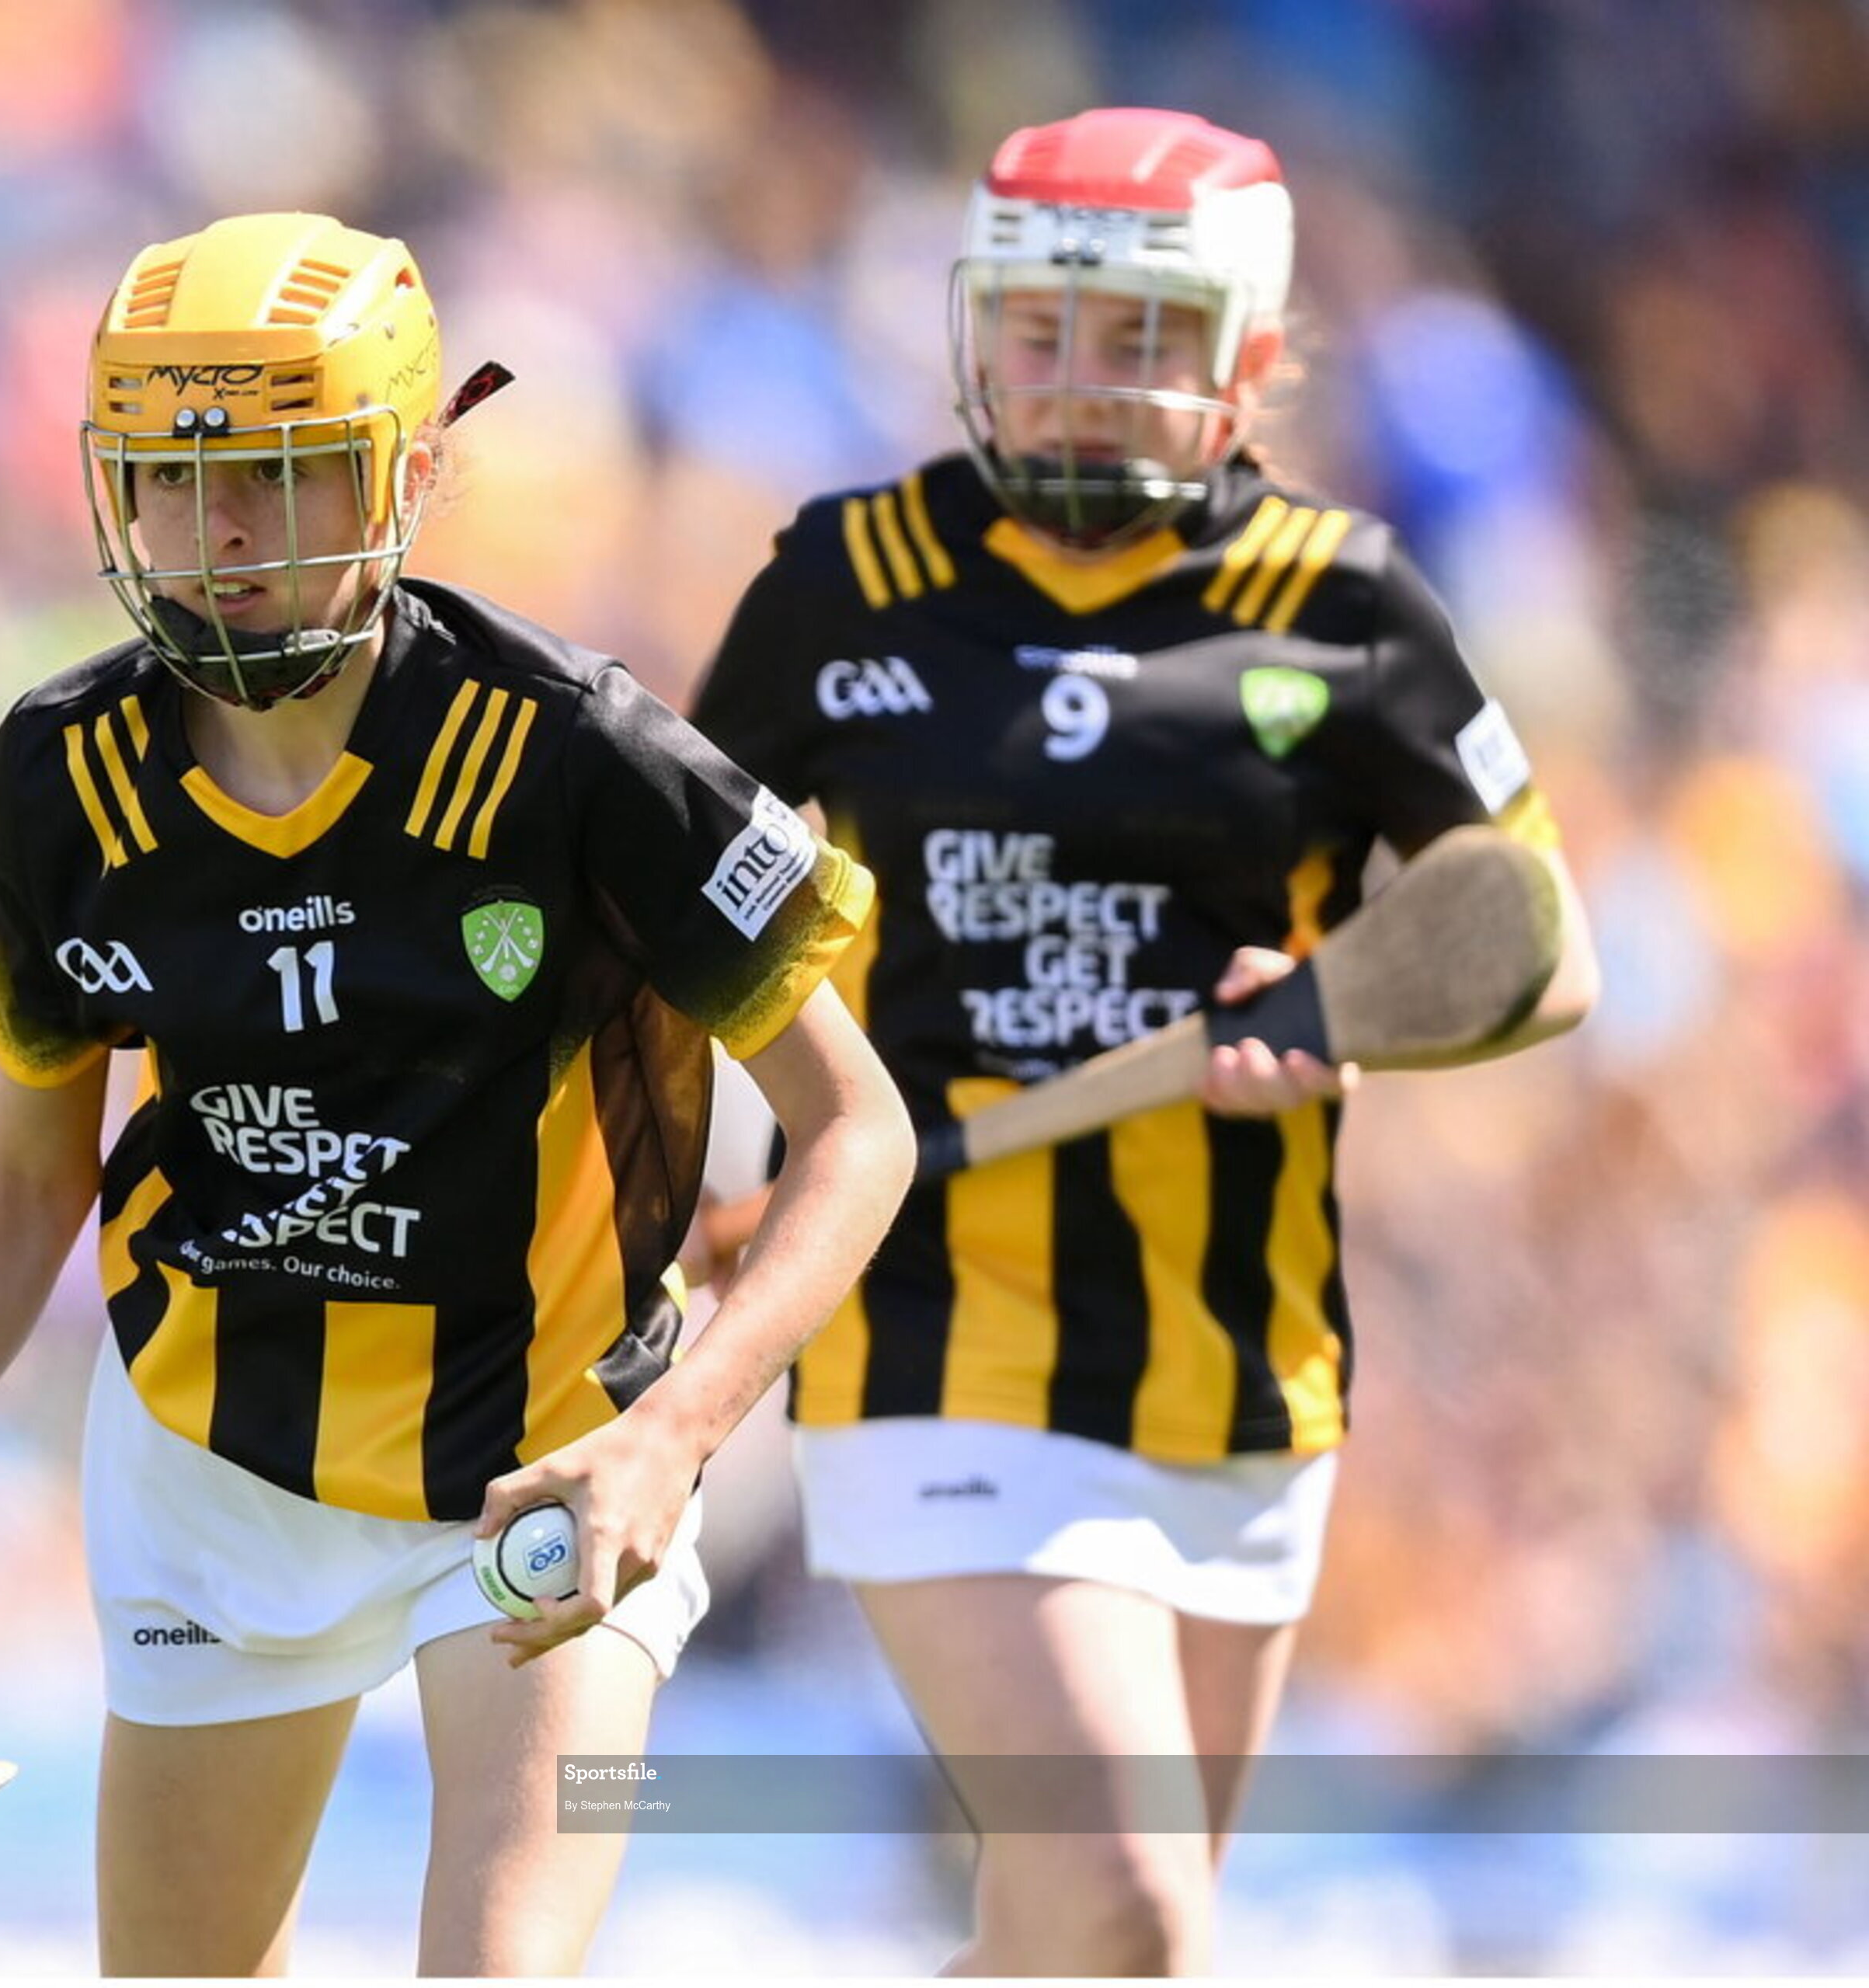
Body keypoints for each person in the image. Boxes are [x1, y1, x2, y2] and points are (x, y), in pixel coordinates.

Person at [0, 211, 914, 1977]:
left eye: (281, 478)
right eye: (175, 485)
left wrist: (676, 1435)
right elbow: (26, 1179)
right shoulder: (62, 773)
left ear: (411, 472)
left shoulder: (583, 753)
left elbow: (858, 1129)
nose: (222, 540)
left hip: (547, 1461)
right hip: (213, 1469)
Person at [688, 108, 1599, 1976]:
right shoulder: (835, 588)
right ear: (970, 327)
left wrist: (1340, 1016)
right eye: (1036, 329)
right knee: (1128, 1906)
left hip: (1239, 1364)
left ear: (1247, 359)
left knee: (1071, 1940)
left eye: (1138, 341)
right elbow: (668, 926)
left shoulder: (1343, 608)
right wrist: (699, 1177)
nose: (1078, 384)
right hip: (929, 1325)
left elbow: (1532, 942)